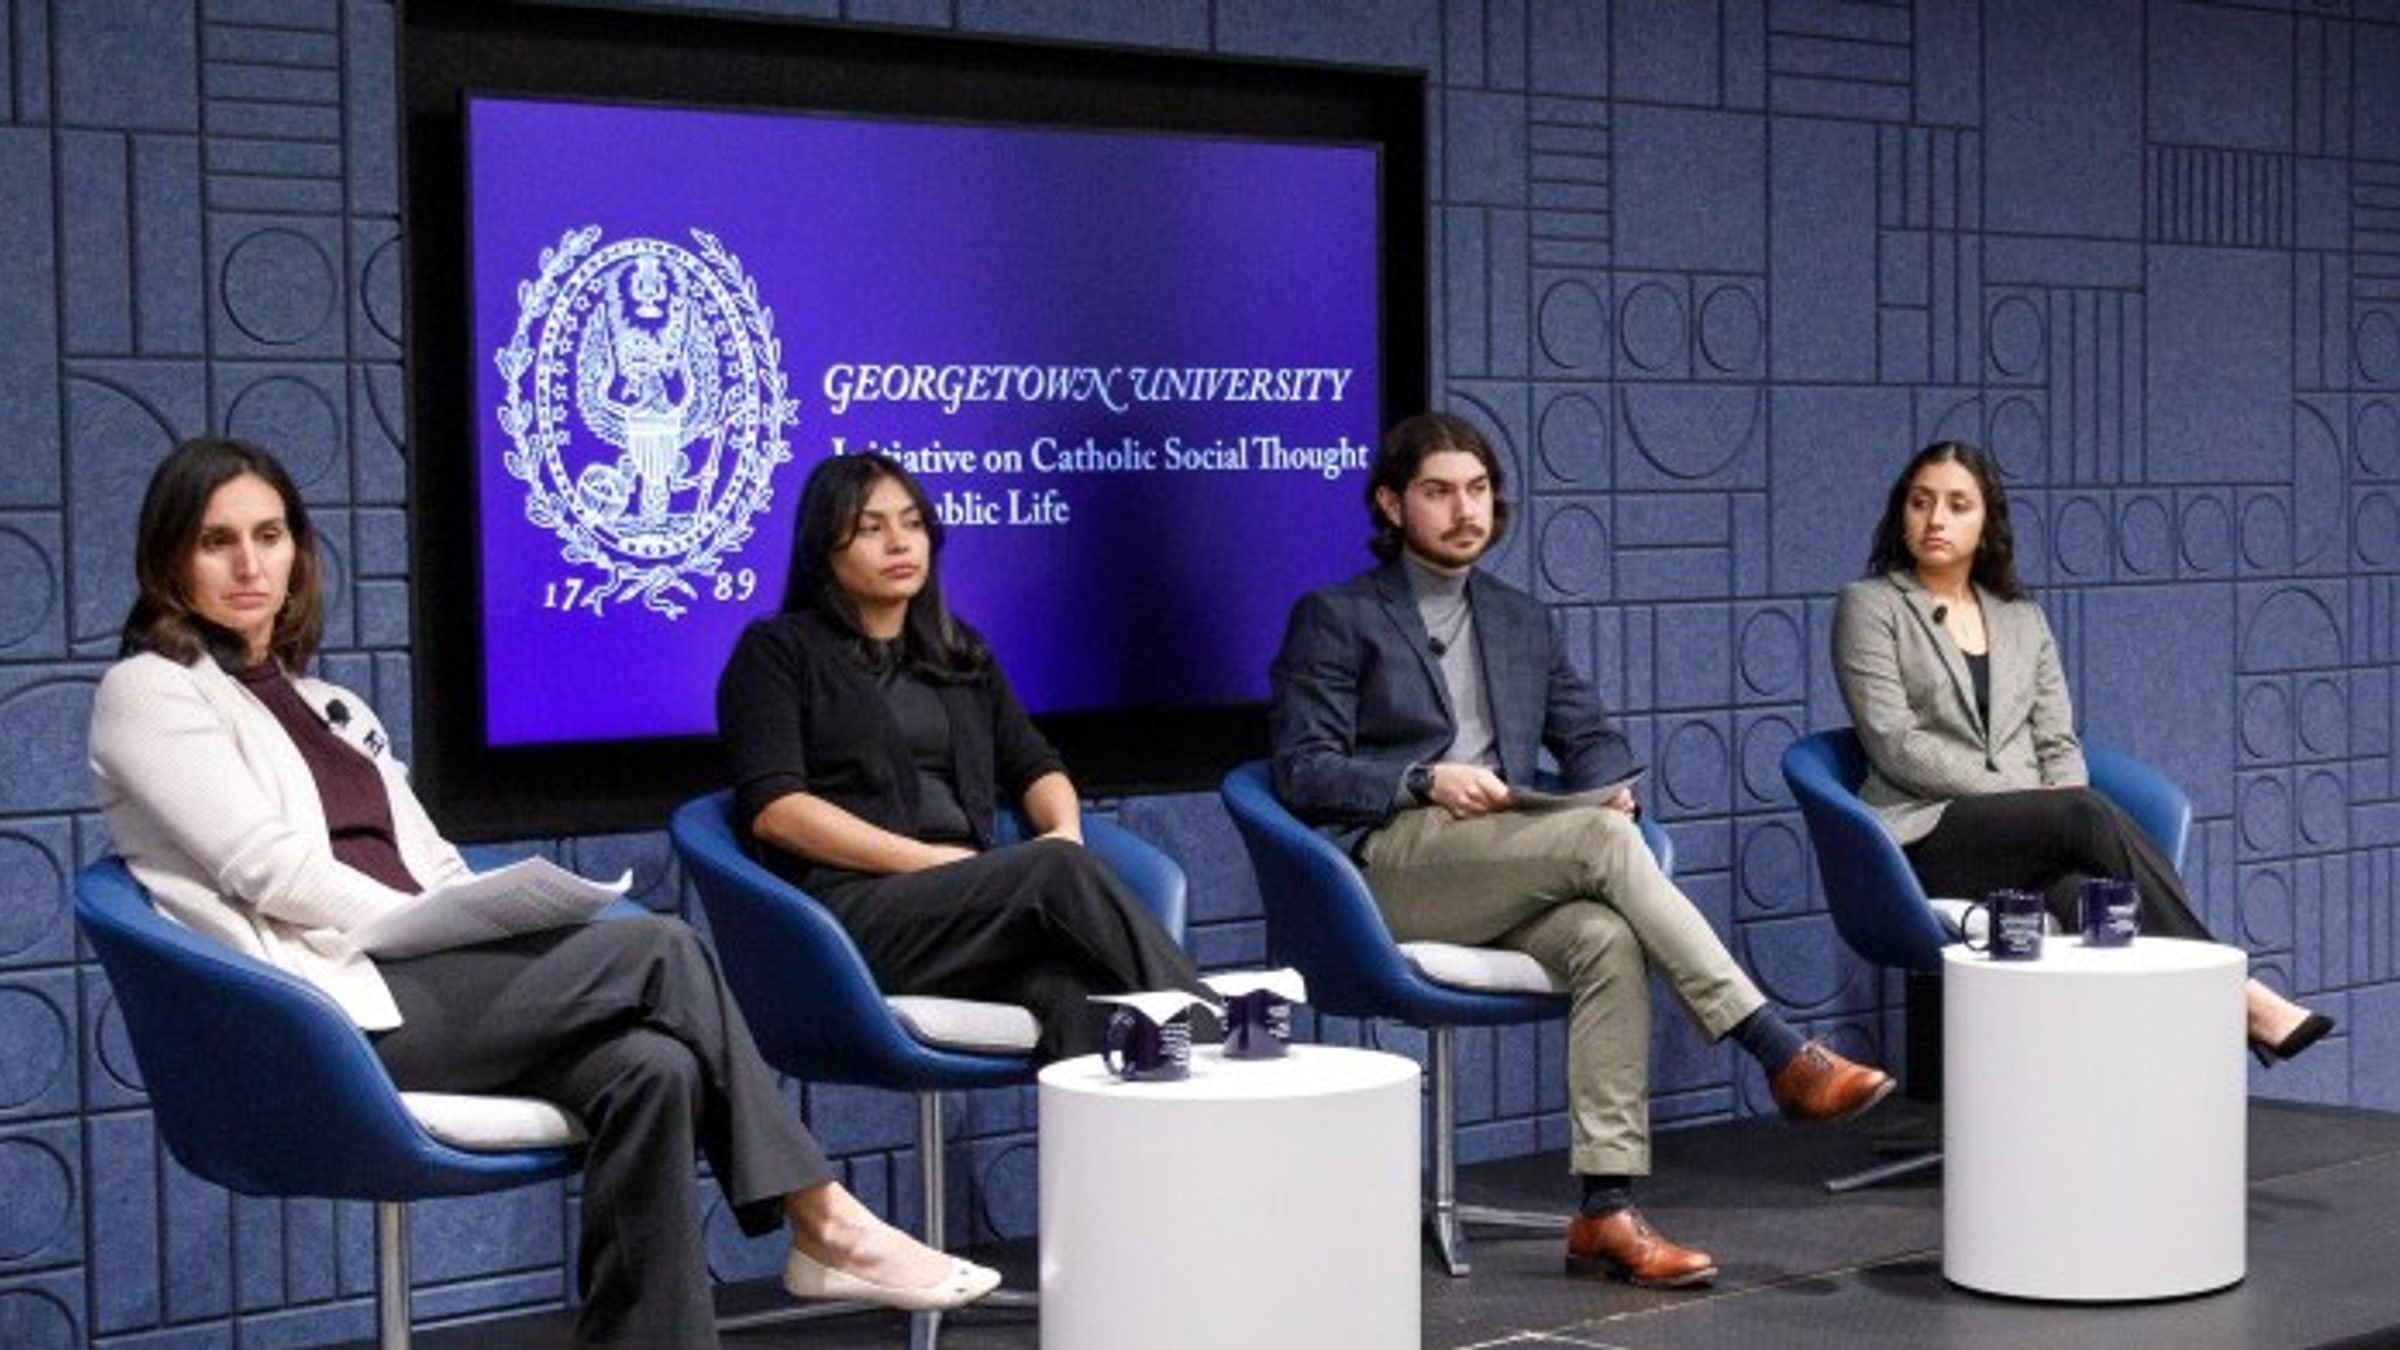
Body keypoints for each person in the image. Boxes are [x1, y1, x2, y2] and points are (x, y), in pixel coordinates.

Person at [87, 436, 998, 1350]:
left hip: (422, 980)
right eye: (217, 541)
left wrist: (482, 912)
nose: (251, 565)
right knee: (660, 947)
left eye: (270, 535)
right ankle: (823, 1218)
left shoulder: (332, 707)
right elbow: (269, 871)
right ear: (170, 561)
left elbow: (436, 863)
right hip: (324, 1013)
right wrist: (428, 928)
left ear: (298, 550)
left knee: (655, 1068)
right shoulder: (149, 692)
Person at [1268, 411, 1892, 1290]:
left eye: (1478, 490)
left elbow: (1593, 737)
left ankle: (1606, 1210)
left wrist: (1610, 785)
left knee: (1605, 937)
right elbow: (1302, 769)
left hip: (1505, 859)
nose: (1464, 511)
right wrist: (1422, 779)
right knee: (1602, 842)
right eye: (1439, 492)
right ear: (1390, 504)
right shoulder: (1337, 617)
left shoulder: (1520, 619)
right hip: (1391, 870)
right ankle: (1778, 1048)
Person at [1833, 439, 2335, 1066]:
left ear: (1987, 520)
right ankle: (2235, 993)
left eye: (1958, 505)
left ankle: (2144, 1075)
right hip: (1924, 837)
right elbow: (1896, 745)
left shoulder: (2020, 618)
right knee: (2084, 813)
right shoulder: (1871, 606)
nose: (1936, 519)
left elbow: (2057, 740)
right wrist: (2038, 802)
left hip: (2025, 843)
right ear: (1901, 513)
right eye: (1920, 502)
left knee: (2090, 898)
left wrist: (2053, 798)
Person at [716, 452, 1211, 1060]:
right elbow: (777, 810)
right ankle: (1219, 1045)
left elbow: (1036, 765)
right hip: (849, 919)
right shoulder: (777, 653)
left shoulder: (958, 654)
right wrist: (931, 862)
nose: (900, 542)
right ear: (823, 549)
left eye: (913, 523)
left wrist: (1066, 834)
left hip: (969, 912)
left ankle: (1139, 1117)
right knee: (1050, 871)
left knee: (1078, 995)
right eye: (871, 528)